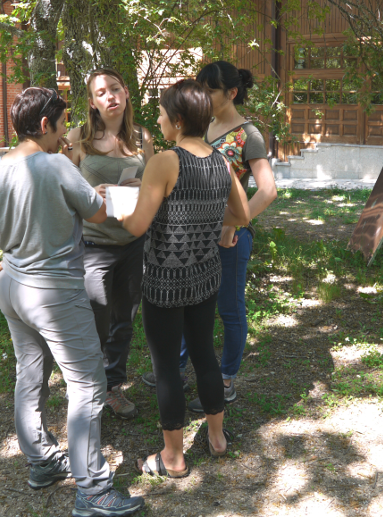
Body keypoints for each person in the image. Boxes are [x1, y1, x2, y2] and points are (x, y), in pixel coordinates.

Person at [0, 87, 144, 517]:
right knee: (88, 384)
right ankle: (93, 490)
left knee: (30, 375)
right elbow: (98, 214)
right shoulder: (56, 163)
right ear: (45, 125)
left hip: (13, 287)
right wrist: (103, 191)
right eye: (61, 125)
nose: (65, 135)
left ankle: (40, 461)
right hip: (54, 292)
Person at [112, 79, 250, 477]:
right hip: (205, 275)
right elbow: (241, 215)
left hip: (164, 280)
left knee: (167, 366)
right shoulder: (220, 159)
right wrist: (204, 221)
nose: (157, 121)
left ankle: (172, 458)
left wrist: (118, 206)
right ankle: (218, 438)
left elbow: (138, 225)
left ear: (176, 119)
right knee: (205, 354)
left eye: (160, 114)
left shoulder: (165, 161)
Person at [141, 61, 277, 411]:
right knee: (190, 308)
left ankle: (227, 378)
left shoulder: (250, 135)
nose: (202, 95)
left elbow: (268, 190)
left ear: (231, 93)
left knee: (229, 310)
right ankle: (179, 368)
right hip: (194, 239)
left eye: (210, 89)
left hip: (228, 239)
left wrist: (234, 224)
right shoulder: (202, 127)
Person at [65, 68, 154, 420]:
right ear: (92, 102)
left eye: (115, 88)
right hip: (94, 244)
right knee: (94, 318)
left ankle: (113, 387)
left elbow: (155, 185)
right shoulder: (78, 138)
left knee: (124, 320)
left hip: (134, 243)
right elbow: (61, 188)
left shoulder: (142, 137)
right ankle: (88, 387)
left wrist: (140, 188)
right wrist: (90, 194)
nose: (110, 96)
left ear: (126, 92)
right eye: (101, 92)